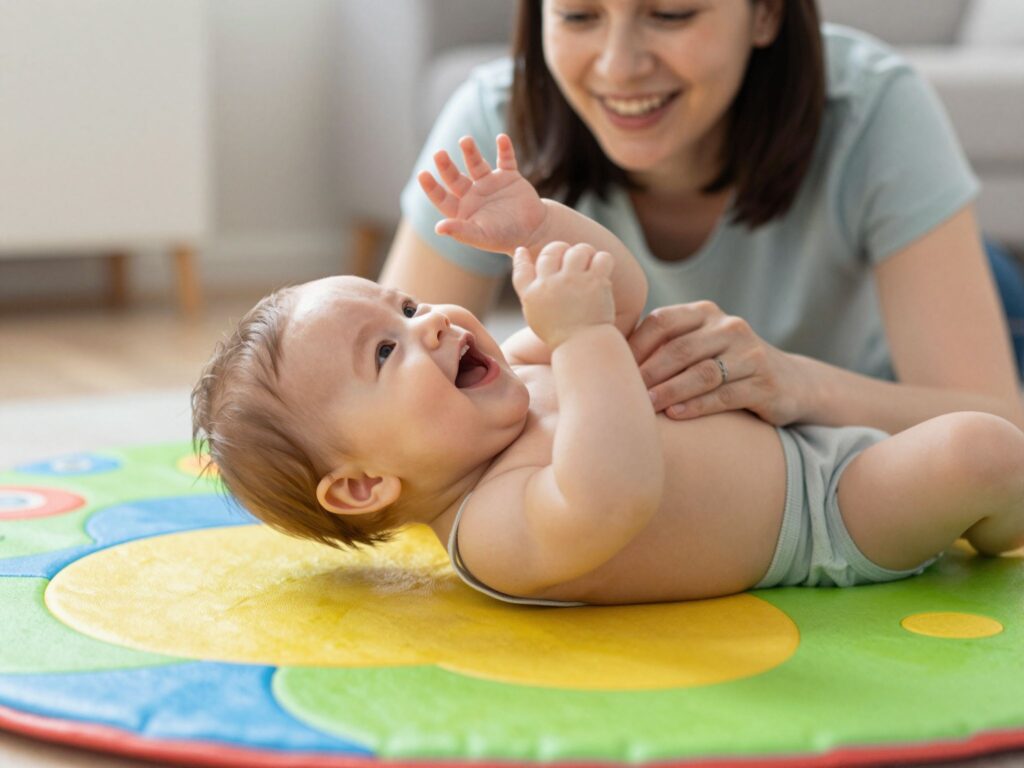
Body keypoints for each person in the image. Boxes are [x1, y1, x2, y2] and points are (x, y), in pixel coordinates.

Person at [191, 136, 1024, 607]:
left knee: (976, 450)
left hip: (806, 437)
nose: (434, 320)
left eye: (406, 307)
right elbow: (615, 491)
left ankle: (993, 528)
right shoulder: (492, 532)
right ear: (365, 485)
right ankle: (996, 518)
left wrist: (536, 229)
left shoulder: (516, 368)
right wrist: (583, 339)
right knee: (978, 449)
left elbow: (619, 300)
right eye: (386, 350)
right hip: (827, 515)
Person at [382, 0, 1024, 435]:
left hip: (910, 358)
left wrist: (795, 382)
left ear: (766, 12)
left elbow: (1000, 435)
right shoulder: (492, 128)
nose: (619, 66)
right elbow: (378, 406)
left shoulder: (874, 108)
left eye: (671, 13)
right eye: (579, 14)